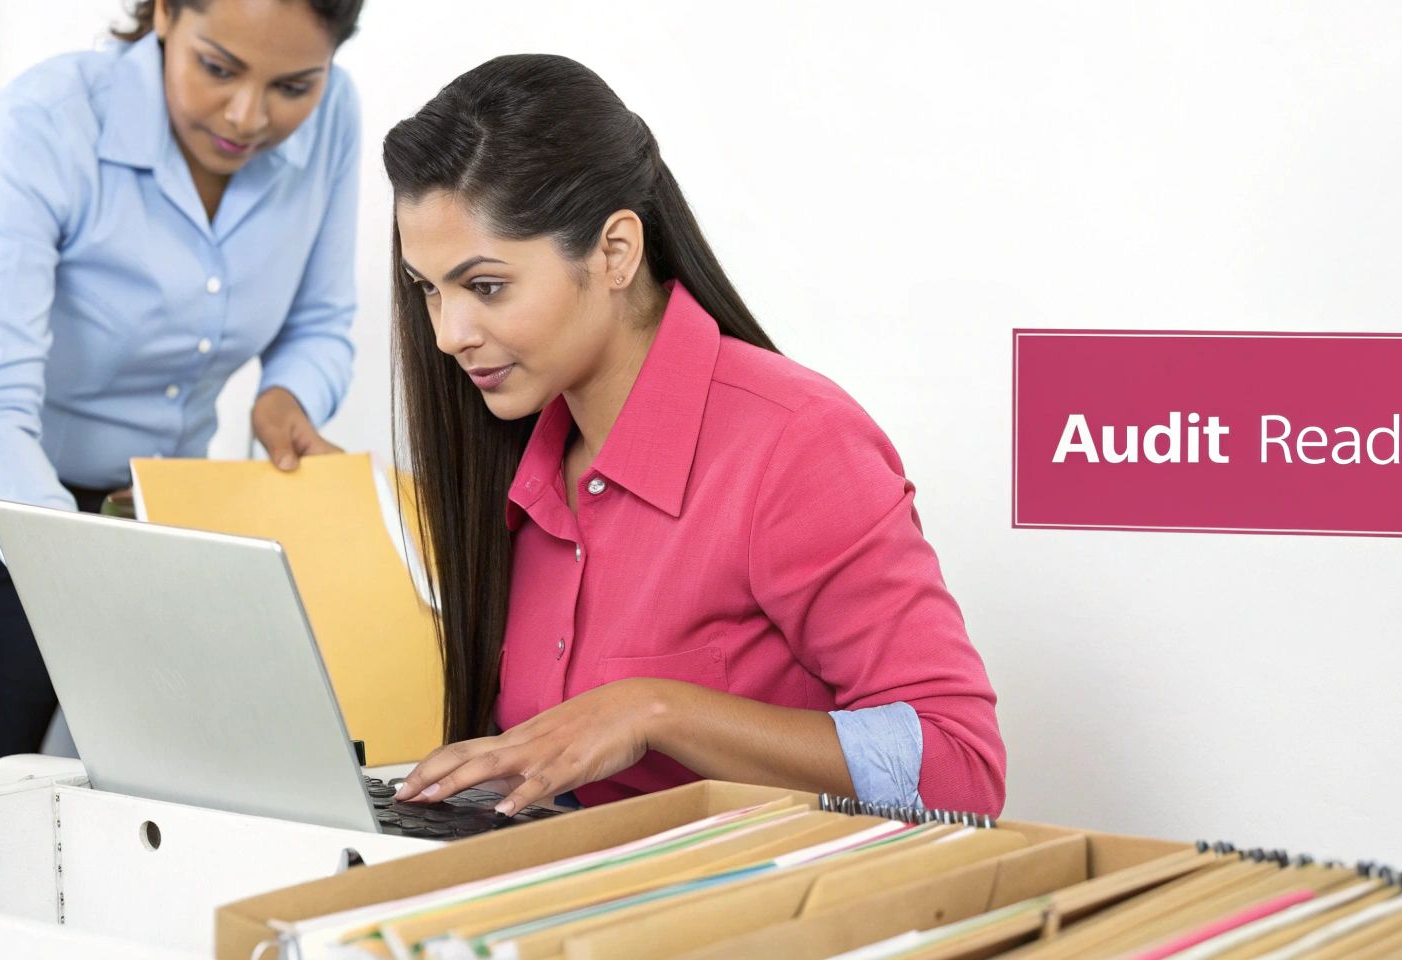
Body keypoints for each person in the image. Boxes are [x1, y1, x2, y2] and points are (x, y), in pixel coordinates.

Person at [384, 55, 1007, 818]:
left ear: (614, 252)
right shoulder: (518, 460)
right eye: (429, 290)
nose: (449, 335)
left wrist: (655, 712)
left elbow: (960, 768)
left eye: (485, 287)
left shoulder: (797, 446)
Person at [0, 0, 367, 803]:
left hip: (151, 527)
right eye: (217, 67)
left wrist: (287, 397)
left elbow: (320, 321)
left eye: (292, 87)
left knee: (161, 837)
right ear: (165, 4)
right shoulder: (47, 125)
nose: (248, 116)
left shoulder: (336, 119)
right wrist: (85, 574)